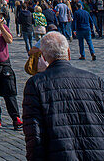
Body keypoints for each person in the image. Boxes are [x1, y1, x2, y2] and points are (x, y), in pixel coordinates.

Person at [22, 30, 104, 160]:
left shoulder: (36, 84)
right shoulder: (95, 80)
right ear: (69, 53)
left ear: (43, 57)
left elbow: (34, 133)